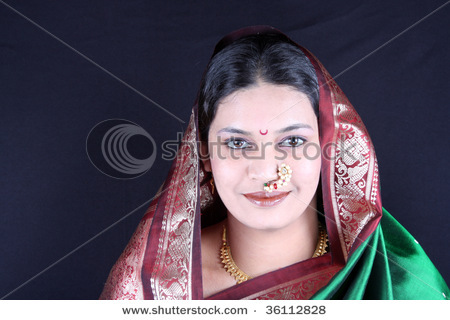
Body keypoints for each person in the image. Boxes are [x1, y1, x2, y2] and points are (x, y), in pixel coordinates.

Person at [99, 26, 449, 300]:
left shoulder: (397, 278)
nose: (266, 172)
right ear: (203, 156)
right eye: (237, 143)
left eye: (293, 141)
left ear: (330, 147)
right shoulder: (152, 287)